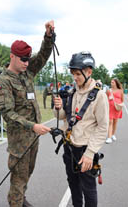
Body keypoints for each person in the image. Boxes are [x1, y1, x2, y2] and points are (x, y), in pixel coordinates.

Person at [0, 20, 54, 207]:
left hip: (33, 137)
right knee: (18, 179)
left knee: (27, 173)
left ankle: (20, 200)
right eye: (23, 59)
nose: (27, 63)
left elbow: (43, 56)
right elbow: (8, 113)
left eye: (28, 59)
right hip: (19, 141)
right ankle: (16, 202)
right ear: (12, 57)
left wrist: (48, 36)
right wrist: (33, 125)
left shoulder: (27, 72)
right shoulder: (4, 81)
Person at [53, 52, 109, 207]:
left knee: (88, 190)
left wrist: (90, 154)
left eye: (78, 74)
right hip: (69, 147)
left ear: (89, 72)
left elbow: (103, 127)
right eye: (73, 74)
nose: (74, 77)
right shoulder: (73, 91)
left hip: (85, 150)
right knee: (73, 186)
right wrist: (57, 107)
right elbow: (64, 116)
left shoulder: (100, 96)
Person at [105, 78, 124, 144]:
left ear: (116, 83)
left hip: (117, 108)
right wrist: (109, 99)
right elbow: (105, 99)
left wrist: (120, 106)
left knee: (115, 122)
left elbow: (122, 100)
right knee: (110, 122)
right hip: (110, 108)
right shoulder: (108, 91)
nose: (111, 83)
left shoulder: (120, 90)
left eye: (112, 82)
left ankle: (113, 134)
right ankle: (109, 137)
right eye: (111, 82)